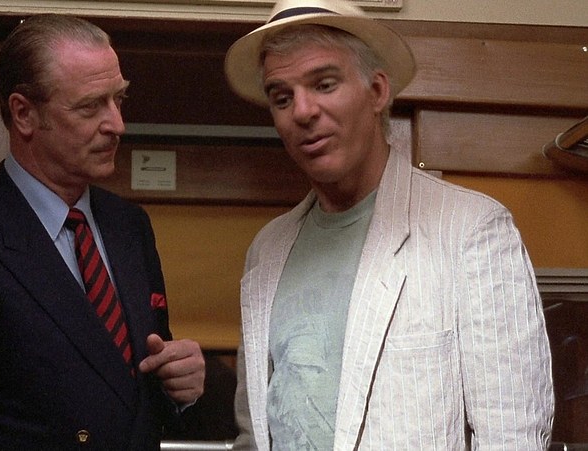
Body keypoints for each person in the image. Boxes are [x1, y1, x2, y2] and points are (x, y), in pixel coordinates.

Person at [223, 0, 555, 449]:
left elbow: (512, 437)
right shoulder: (267, 249)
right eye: (281, 98)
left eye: (324, 84)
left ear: (377, 91)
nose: (302, 111)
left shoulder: (471, 230)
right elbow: (256, 430)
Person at [0, 14, 205, 450]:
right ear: (24, 113)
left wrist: (181, 388)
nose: (117, 124)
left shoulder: (130, 227)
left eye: (118, 99)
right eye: (90, 106)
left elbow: (127, 393)